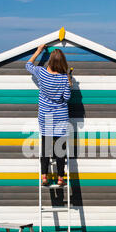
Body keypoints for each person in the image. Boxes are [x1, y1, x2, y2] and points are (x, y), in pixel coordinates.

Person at [25, 44, 71, 186]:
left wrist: (38, 51)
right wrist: (70, 83)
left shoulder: (42, 73)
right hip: (61, 116)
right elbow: (67, 98)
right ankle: (60, 178)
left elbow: (28, 65)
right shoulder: (64, 78)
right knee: (60, 148)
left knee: (45, 147)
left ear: (50, 61)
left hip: (46, 116)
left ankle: (44, 177)